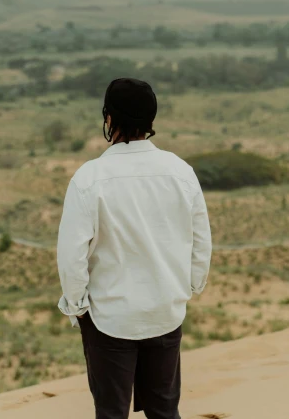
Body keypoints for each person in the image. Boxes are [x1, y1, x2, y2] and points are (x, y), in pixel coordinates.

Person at [57, 77, 212, 419]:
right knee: (164, 410)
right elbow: (201, 241)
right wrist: (186, 288)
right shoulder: (181, 172)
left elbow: (71, 258)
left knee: (111, 413)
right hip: (165, 310)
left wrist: (78, 307)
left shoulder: (89, 178)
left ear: (109, 119)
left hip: (109, 318)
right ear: (151, 121)